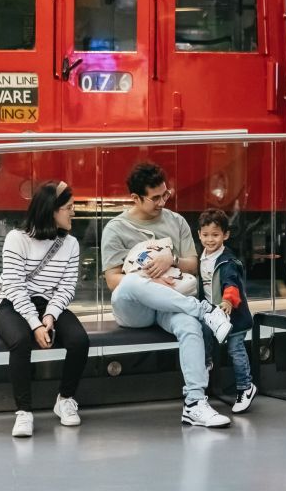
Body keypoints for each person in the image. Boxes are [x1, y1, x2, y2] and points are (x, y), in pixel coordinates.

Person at [100, 163, 234, 428]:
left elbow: (193, 264)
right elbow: (114, 281)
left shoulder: (176, 221)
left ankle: (195, 403)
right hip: (134, 308)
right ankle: (205, 310)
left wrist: (170, 259)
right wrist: (147, 276)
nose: (163, 201)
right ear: (136, 198)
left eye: (166, 194)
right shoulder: (116, 229)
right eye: (155, 198)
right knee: (131, 284)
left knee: (190, 327)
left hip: (169, 302)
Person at [0, 181, 89, 438]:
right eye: (69, 208)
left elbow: (67, 287)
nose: (73, 213)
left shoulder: (71, 244)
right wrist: (35, 324)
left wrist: (50, 315)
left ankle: (65, 398)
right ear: (51, 210)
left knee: (79, 340)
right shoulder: (16, 239)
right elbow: (13, 286)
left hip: (47, 304)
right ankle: (24, 412)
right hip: (10, 303)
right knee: (20, 341)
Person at [197, 209, 257, 413]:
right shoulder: (200, 258)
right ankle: (207, 366)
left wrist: (228, 301)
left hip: (234, 318)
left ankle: (245, 387)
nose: (210, 239)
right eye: (205, 235)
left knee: (235, 351)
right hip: (212, 315)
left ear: (225, 235)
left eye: (215, 235)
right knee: (203, 336)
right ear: (199, 234)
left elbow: (232, 284)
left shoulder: (228, 261)